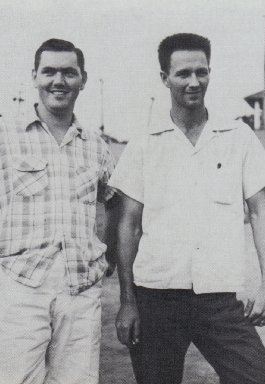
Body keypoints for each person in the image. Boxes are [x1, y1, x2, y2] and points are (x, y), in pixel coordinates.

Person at [108, 33, 265, 384]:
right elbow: (128, 225)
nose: (193, 82)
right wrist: (128, 301)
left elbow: (262, 214)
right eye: (183, 73)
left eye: (201, 72)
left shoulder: (237, 136)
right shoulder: (144, 143)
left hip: (218, 297)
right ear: (164, 78)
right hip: (156, 297)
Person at [0, 38, 118, 384]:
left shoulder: (95, 145)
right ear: (34, 76)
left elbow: (114, 202)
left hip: (80, 288)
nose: (59, 81)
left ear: (82, 79)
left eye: (69, 72)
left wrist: (107, 254)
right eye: (49, 71)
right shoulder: (5, 137)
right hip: (19, 283)